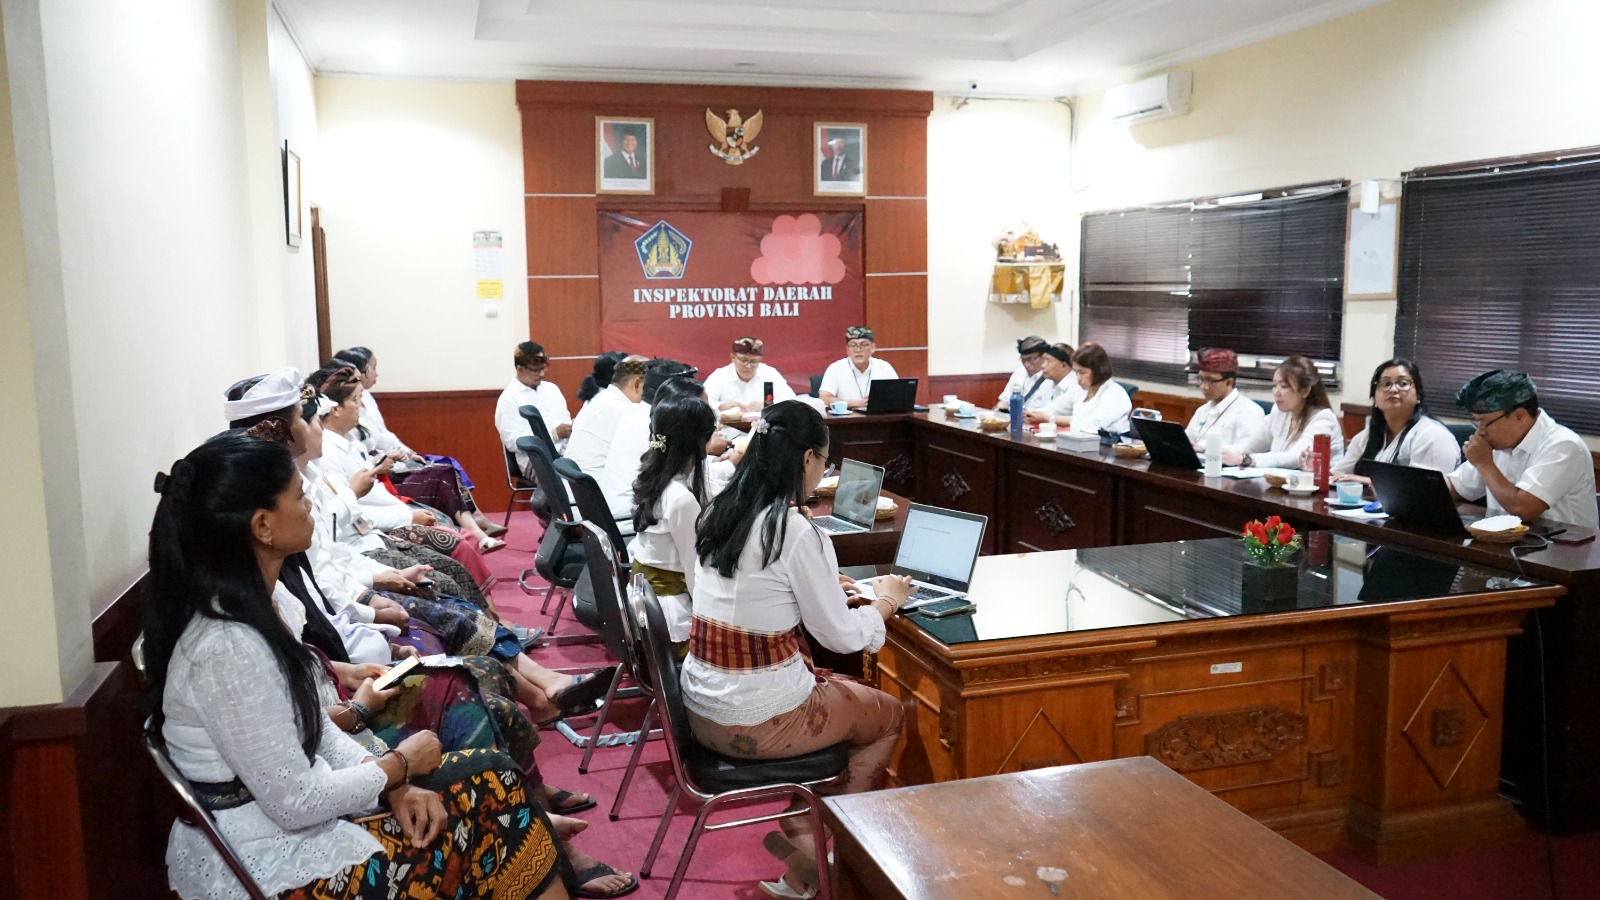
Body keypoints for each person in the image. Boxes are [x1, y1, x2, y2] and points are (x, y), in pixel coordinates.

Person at [143, 432, 566, 900]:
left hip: (297, 825)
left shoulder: (257, 605)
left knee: (490, 780)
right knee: (494, 798)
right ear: (263, 526)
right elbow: (295, 801)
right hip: (275, 866)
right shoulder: (229, 648)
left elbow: (315, 730)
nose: (309, 505)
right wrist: (396, 766)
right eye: (298, 497)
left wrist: (394, 785)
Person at [685, 400, 907, 898]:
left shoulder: (719, 511)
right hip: (758, 720)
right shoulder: (795, 530)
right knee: (887, 715)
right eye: (824, 462)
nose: (821, 471)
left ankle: (805, 851)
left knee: (843, 691)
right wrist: (887, 602)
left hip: (699, 709)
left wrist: (823, 586)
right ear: (807, 458)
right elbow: (842, 638)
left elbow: (753, 596)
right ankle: (825, 848)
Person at [334, 346, 506, 542]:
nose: (375, 374)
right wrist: (387, 460)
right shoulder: (344, 425)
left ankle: (476, 524)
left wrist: (407, 452)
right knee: (442, 472)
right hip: (382, 475)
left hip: (389, 463)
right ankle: (476, 529)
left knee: (445, 465)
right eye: (371, 369)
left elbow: (385, 435)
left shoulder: (366, 400)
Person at [1446, 371, 1597, 528]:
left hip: (1562, 542)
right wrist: (1430, 485)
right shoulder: (1498, 444)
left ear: (1519, 416)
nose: (1480, 432)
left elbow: (1523, 509)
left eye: (1486, 423)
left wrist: (1485, 464)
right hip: (1505, 539)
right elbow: (1455, 486)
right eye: (1477, 423)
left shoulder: (1563, 445)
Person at [628, 392, 716, 646]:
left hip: (645, 609)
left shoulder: (654, 479)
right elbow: (695, 571)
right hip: (670, 622)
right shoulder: (680, 499)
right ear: (699, 443)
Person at [598, 358, 698, 525]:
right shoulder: (654, 425)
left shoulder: (634, 413)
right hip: (631, 521)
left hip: (615, 515)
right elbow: (682, 474)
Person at [1331, 359, 1460, 483]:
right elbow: (1337, 474)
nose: (1393, 389)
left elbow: (1424, 488)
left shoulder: (1433, 436)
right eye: (1385, 384)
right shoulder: (1369, 435)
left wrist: (1367, 481)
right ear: (1374, 399)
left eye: (1403, 384)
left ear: (1418, 396)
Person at [1223, 355, 1343, 469]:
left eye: (1284, 386)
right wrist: (1217, 451)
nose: (1276, 392)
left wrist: (1246, 459)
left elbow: (1295, 458)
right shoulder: (1279, 411)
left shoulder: (1323, 418)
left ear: (1305, 391)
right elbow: (1250, 447)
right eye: (1274, 385)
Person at [496, 341, 574, 468]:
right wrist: (553, 435)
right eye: (536, 370)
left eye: (543, 368)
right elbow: (513, 442)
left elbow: (565, 422)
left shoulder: (552, 389)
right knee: (569, 474)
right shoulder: (509, 398)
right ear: (520, 369)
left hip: (566, 452)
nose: (542, 374)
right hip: (535, 460)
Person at [566, 354, 648, 475]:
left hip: (580, 482)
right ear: (637, 384)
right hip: (596, 484)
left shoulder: (602, 399)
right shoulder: (624, 411)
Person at [1030, 343, 1131, 436]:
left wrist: (1050, 419)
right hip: (1079, 442)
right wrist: (1032, 414)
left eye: (1082, 372)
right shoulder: (1081, 390)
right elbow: (1056, 407)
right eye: (1076, 372)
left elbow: (1090, 425)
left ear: (1097, 371)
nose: (1078, 378)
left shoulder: (1115, 394)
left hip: (1108, 446)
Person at [1185, 348, 1268, 452]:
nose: (1203, 387)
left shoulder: (1249, 411)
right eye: (1201, 379)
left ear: (1229, 382)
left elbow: (1251, 450)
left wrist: (1207, 449)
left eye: (1210, 380)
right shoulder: (1202, 410)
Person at [703, 336, 796, 412]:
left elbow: (790, 400)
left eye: (754, 361)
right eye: (743, 360)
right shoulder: (720, 376)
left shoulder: (769, 373)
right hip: (728, 427)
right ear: (733, 357)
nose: (748, 366)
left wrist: (767, 404)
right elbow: (702, 402)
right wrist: (722, 406)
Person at [818, 326, 898, 409]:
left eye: (864, 345)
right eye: (853, 345)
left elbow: (898, 394)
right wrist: (856, 403)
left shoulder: (884, 367)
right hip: (847, 416)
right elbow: (824, 398)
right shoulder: (836, 368)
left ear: (873, 347)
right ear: (847, 349)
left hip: (878, 414)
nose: (858, 350)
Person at [1024, 343, 1082, 425]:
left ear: (1063, 365)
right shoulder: (1046, 383)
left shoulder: (1078, 385)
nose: (1043, 366)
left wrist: (1043, 417)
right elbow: (1036, 408)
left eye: (1048, 361)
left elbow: (1055, 409)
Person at [995, 335, 1055, 413]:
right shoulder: (1019, 373)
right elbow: (1005, 400)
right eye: (1023, 360)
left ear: (1044, 356)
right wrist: (999, 409)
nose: (1026, 365)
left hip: (1037, 418)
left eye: (1031, 359)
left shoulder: (1052, 377)